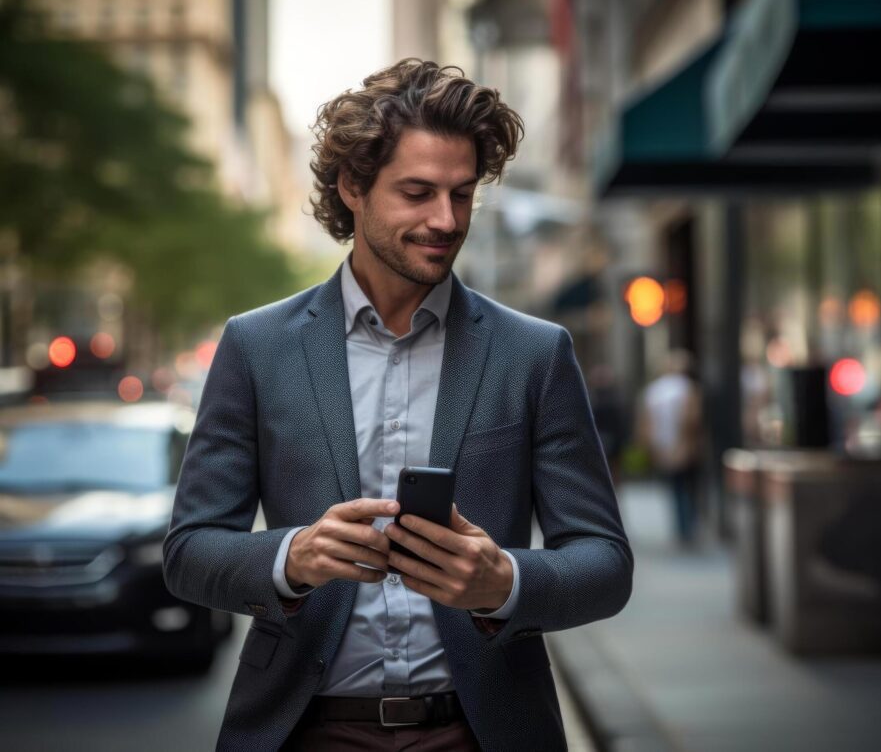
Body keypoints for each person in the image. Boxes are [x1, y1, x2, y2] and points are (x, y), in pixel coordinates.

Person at [163, 59, 632, 752]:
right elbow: (189, 551)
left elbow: (605, 563)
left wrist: (504, 579)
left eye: (462, 194)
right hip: (304, 728)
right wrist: (295, 555)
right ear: (353, 186)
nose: (446, 219)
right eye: (417, 192)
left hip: (481, 729)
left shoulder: (534, 353)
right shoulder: (255, 347)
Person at [637, 349, 703, 544]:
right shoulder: (687, 388)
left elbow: (645, 423)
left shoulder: (653, 391)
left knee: (675, 488)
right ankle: (687, 527)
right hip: (683, 445)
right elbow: (691, 419)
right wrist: (684, 444)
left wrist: (653, 447)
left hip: (663, 446)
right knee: (686, 487)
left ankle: (682, 527)